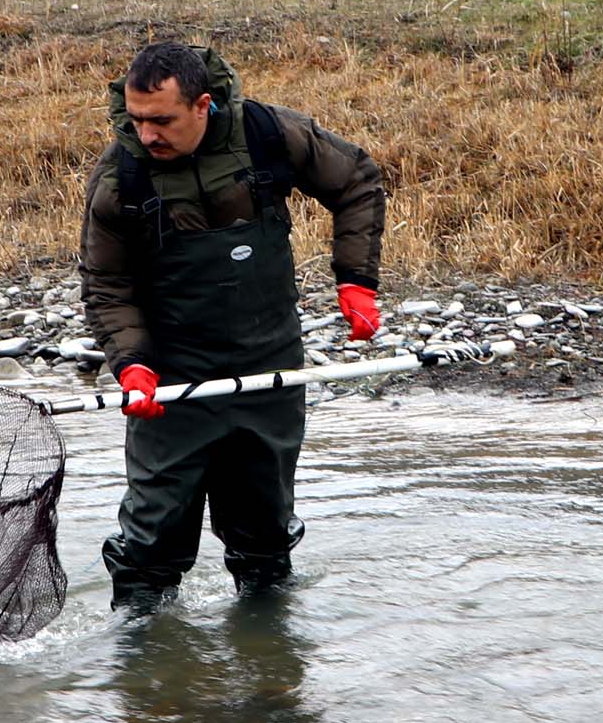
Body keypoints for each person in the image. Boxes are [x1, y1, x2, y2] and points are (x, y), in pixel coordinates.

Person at [80, 40, 386, 608]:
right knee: (152, 540)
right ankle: (146, 663)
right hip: (172, 380)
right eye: (137, 119)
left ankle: (268, 657)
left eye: (161, 120)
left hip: (269, 366)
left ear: (202, 105)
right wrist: (134, 366)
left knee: (264, 536)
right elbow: (107, 287)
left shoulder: (269, 135)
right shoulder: (119, 179)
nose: (146, 134)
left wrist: (356, 282)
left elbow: (357, 180)